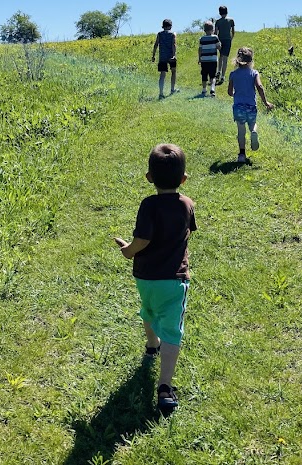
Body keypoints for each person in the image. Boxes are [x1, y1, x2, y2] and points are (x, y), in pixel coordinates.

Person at [114, 143, 197, 415]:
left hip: (145, 277)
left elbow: (143, 240)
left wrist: (128, 250)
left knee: (148, 310)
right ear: (183, 179)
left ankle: (152, 346)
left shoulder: (148, 204)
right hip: (173, 281)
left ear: (149, 177)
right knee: (172, 329)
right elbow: (186, 231)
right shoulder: (187, 204)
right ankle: (164, 388)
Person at [227, 46, 274, 162]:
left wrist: (235, 95)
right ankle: (254, 132)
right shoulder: (254, 73)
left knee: (241, 130)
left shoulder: (233, 74)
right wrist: (265, 102)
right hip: (251, 105)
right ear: (251, 60)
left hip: (238, 106)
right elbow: (260, 87)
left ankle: (242, 155)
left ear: (237, 60)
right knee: (252, 123)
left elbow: (229, 92)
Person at [151, 19, 179, 99]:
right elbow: (174, 45)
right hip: (171, 56)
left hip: (162, 57)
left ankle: (161, 93)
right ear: (170, 26)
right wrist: (174, 55)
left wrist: (153, 55)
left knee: (162, 74)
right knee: (173, 71)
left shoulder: (159, 34)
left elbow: (156, 45)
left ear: (163, 26)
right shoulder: (172, 34)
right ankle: (172, 89)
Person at [198, 21, 221, 97]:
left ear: (204, 30)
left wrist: (199, 58)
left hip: (204, 60)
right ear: (213, 29)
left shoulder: (202, 39)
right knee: (213, 76)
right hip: (213, 60)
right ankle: (212, 89)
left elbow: (200, 49)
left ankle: (204, 89)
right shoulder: (215, 37)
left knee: (204, 75)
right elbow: (218, 47)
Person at [214, 6, 235, 85]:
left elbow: (216, 33)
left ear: (219, 13)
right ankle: (222, 76)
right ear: (227, 12)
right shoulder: (231, 20)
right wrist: (231, 39)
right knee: (225, 58)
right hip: (227, 40)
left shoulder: (218, 21)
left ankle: (218, 71)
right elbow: (233, 32)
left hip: (220, 40)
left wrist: (215, 41)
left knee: (221, 56)